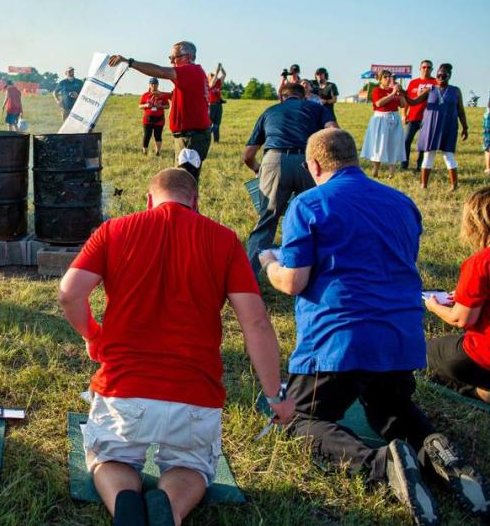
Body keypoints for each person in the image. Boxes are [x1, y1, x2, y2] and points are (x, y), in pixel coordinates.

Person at [259, 128, 489, 525]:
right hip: (399, 337)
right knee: (393, 411)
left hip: (337, 339)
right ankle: (436, 450)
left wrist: (268, 263)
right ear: (355, 158)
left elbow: (293, 281)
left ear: (314, 165)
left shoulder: (309, 204)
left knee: (298, 418)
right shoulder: (402, 203)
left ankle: (382, 465)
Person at [58, 168, 295, 526]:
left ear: (149, 199)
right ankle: (169, 508)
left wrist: (93, 334)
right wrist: (274, 394)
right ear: (195, 202)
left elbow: (69, 293)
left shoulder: (114, 230)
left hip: (125, 391)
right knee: (191, 467)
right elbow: (256, 323)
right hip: (195, 397)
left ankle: (124, 503)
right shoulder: (225, 240)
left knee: (110, 461)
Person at [243, 82, 336, 272]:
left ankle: (249, 278)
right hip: (308, 161)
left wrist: (258, 169)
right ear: (304, 97)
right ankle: (321, 271)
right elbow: (333, 130)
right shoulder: (316, 108)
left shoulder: (270, 111)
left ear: (281, 97)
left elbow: (248, 154)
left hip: (273, 160)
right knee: (315, 218)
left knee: (267, 219)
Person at [109, 41, 213, 182]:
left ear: (188, 57)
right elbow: (188, 96)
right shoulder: (195, 73)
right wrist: (165, 95)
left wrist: (130, 62)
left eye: (174, 57)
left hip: (191, 138)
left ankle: (188, 204)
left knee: (184, 183)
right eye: (169, 57)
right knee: (184, 180)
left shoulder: (190, 71)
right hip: (191, 135)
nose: (171, 61)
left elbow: (161, 71)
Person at [424, 187, 490, 404]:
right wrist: (465, 296)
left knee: (428, 353)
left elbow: (460, 318)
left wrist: (433, 306)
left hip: (483, 353)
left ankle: (478, 391)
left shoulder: (480, 263)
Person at [405, 63, 469, 190]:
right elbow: (413, 102)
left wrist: (465, 127)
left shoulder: (455, 91)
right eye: (438, 75)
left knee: (448, 155)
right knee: (429, 154)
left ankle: (454, 185)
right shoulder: (430, 90)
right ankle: (423, 184)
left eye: (443, 75)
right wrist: (402, 93)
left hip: (448, 126)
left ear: (449, 76)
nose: (440, 77)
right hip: (431, 126)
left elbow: (460, 110)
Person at [360, 70, 406, 178]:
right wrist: (393, 94)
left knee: (393, 143)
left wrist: (400, 94)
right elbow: (379, 103)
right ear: (380, 79)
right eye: (385, 77)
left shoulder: (393, 90)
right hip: (381, 118)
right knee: (379, 144)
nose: (388, 79)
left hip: (394, 117)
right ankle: (375, 170)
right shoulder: (377, 90)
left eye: (390, 76)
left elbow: (403, 105)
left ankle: (391, 173)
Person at [404, 60, 439, 171]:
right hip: (413, 117)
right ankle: (404, 165)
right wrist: (404, 114)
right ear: (420, 68)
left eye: (429, 67)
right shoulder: (413, 82)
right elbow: (407, 100)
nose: (426, 69)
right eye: (424, 67)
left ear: (432, 69)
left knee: (423, 143)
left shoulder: (436, 82)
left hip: (428, 117)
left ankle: (420, 166)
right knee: (406, 140)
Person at [138, 78, 170, 156]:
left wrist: (161, 106)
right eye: (152, 84)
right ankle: (145, 153)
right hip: (147, 119)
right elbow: (139, 105)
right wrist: (146, 105)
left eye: (155, 84)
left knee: (158, 136)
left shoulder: (162, 95)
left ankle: (157, 152)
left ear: (158, 85)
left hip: (159, 119)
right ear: (149, 85)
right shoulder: (145, 95)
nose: (153, 85)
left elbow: (167, 106)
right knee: (147, 135)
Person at [207, 63, 226, 143]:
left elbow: (224, 75)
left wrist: (221, 68)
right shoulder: (209, 85)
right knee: (209, 124)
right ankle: (206, 137)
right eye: (211, 75)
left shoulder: (218, 83)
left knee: (217, 124)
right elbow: (213, 81)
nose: (213, 76)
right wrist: (216, 72)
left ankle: (216, 140)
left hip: (218, 105)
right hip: (212, 105)